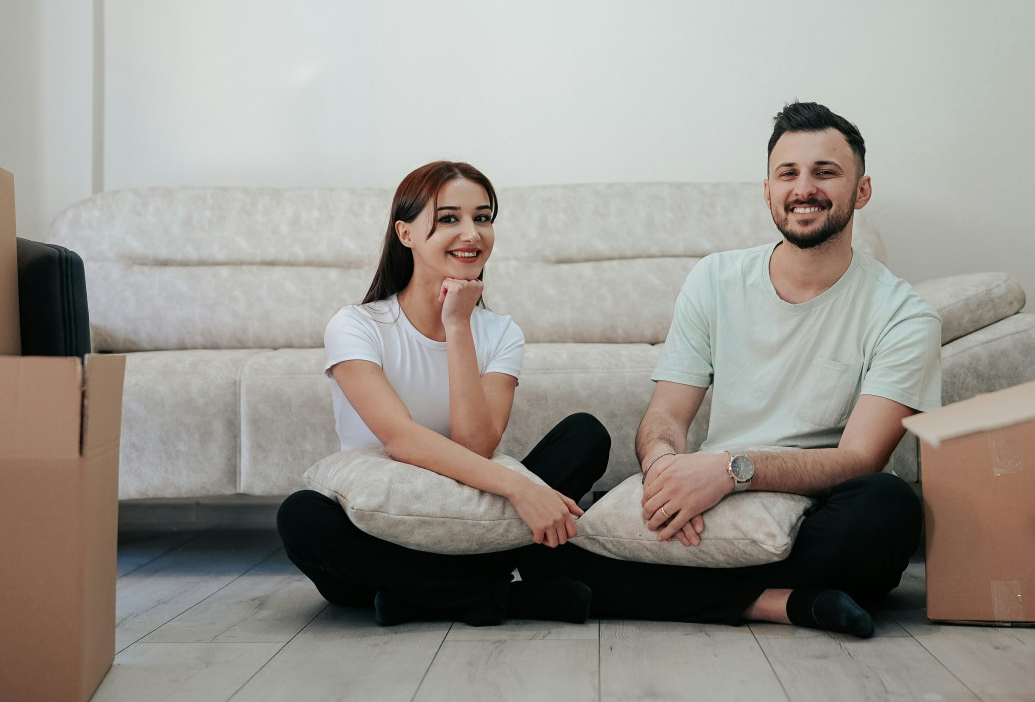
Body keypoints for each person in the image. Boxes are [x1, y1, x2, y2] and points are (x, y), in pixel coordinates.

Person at [525, 101, 939, 638]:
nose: (804, 188)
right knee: (546, 542)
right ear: (767, 191)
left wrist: (731, 472)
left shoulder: (903, 314)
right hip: (711, 504)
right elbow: (665, 416)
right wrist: (665, 470)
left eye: (825, 172)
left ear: (861, 191)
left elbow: (861, 459)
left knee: (890, 507)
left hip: (816, 509)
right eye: (787, 173)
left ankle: (670, 591)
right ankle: (781, 604)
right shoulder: (715, 279)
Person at [277, 160, 608, 627]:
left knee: (585, 435)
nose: (471, 233)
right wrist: (521, 488)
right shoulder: (356, 325)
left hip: (472, 526)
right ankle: (494, 596)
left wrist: (457, 325)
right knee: (301, 516)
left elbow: (475, 445)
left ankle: (423, 597)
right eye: (449, 218)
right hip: (381, 531)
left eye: (483, 217)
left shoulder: (501, 332)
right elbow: (401, 440)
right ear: (405, 233)